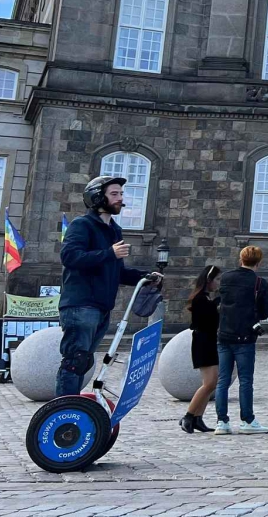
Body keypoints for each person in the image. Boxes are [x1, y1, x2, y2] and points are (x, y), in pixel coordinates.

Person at [56, 175, 162, 396]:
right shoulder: (82, 225)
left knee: (84, 362)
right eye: (114, 194)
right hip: (81, 305)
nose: (120, 198)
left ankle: (73, 409)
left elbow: (117, 271)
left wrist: (145, 276)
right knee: (75, 360)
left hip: (102, 306)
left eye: (121, 194)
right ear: (97, 197)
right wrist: (108, 253)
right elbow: (70, 257)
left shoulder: (114, 230)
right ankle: (63, 410)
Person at [214, 245, 268, 435]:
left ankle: (222, 422)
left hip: (224, 335)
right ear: (259, 262)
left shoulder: (227, 278)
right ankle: (247, 420)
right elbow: (264, 312)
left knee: (222, 380)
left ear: (241, 259)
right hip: (245, 337)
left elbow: (221, 302)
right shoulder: (259, 283)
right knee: (245, 380)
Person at [180, 265, 221, 433]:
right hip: (203, 341)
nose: (218, 283)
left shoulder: (205, 298)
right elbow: (205, 320)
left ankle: (198, 418)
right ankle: (188, 416)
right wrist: (217, 305)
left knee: (211, 383)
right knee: (209, 383)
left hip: (208, 340)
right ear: (209, 280)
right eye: (217, 280)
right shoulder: (200, 299)